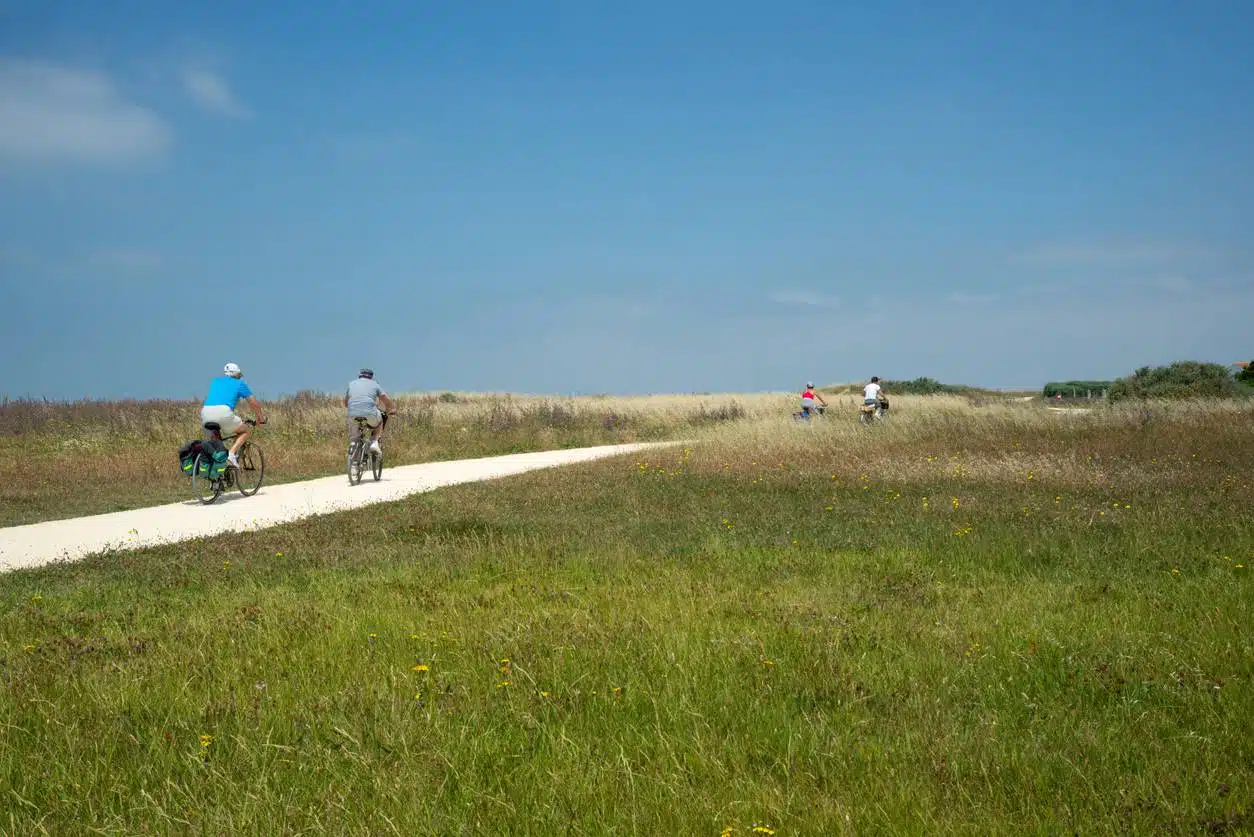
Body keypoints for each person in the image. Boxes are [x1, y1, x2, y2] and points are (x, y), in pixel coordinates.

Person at [201, 362, 266, 467]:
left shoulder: (215, 381)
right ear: (236, 374)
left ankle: (217, 476)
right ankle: (231, 455)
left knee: (217, 445)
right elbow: (254, 403)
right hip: (223, 413)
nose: (239, 377)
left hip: (205, 413)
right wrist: (261, 419)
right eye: (239, 375)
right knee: (245, 431)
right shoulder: (240, 383)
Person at [345, 368, 396, 454]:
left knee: (355, 439)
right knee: (380, 421)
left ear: (359, 375)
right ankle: (374, 442)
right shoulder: (375, 384)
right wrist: (391, 409)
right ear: (371, 377)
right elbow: (385, 399)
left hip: (352, 414)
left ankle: (353, 461)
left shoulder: (351, 384)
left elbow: (346, 403)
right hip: (370, 414)